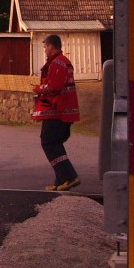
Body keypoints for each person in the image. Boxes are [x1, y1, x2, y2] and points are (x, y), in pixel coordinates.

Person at [31, 34, 81, 191]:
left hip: (58, 111)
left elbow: (54, 87)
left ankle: (69, 177)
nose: (44, 50)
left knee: (49, 142)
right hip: (60, 111)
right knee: (54, 143)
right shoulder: (59, 62)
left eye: (45, 46)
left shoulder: (58, 63)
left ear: (52, 46)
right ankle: (60, 181)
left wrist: (38, 89)